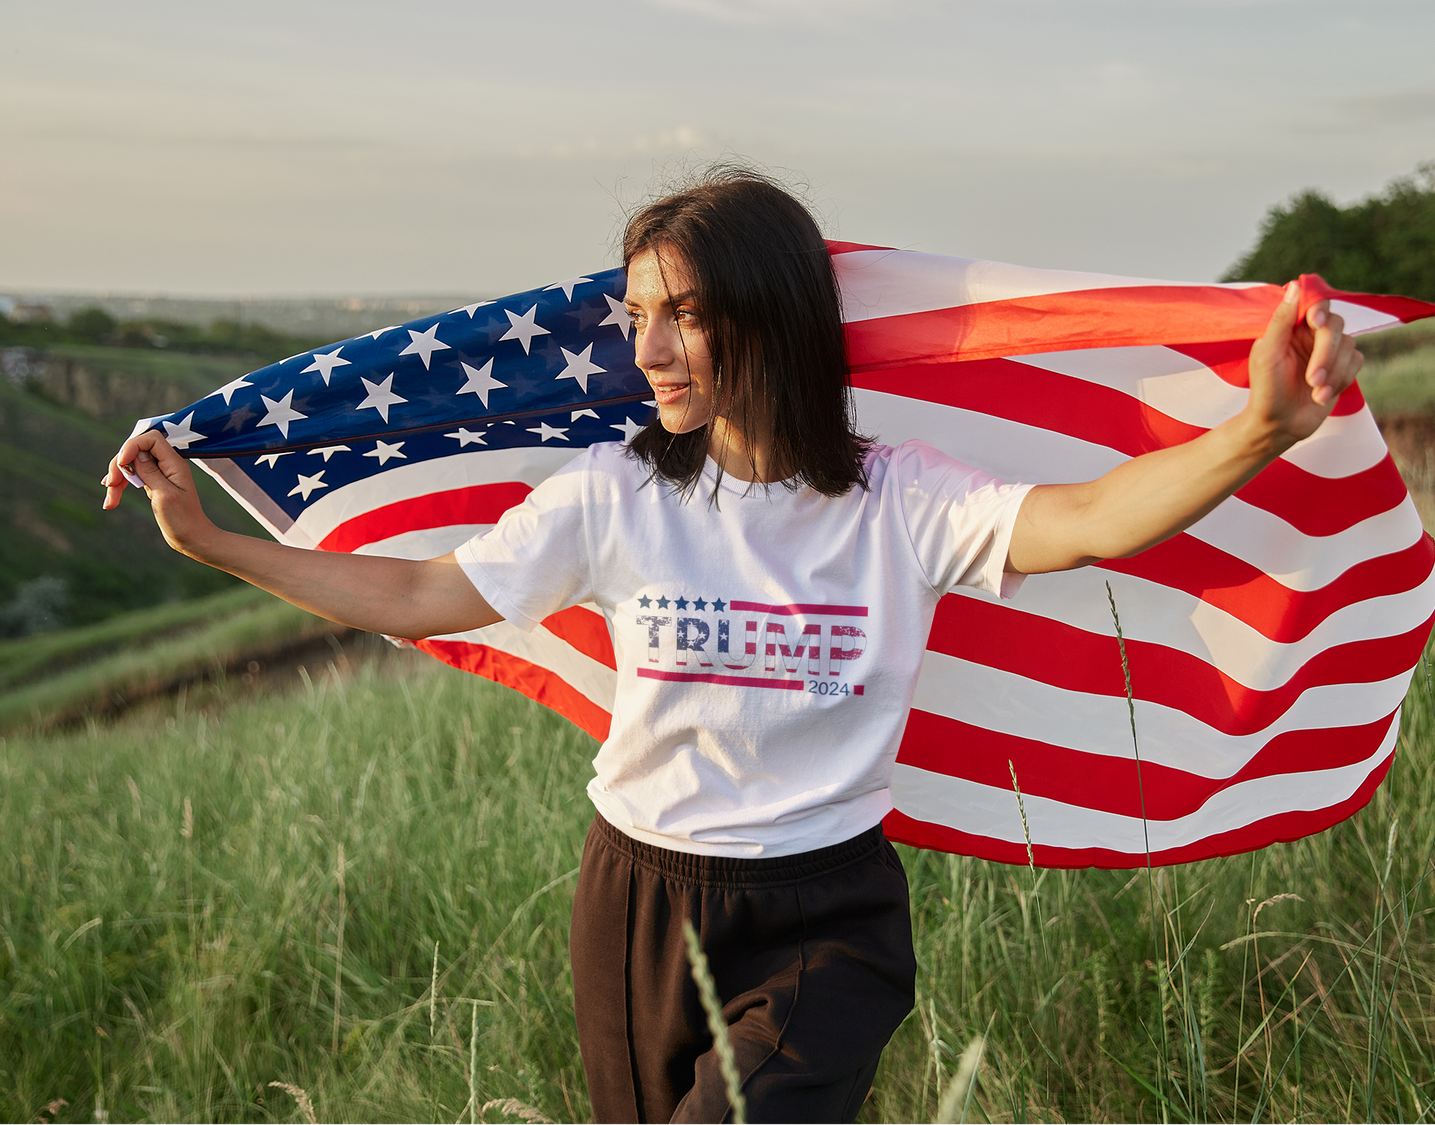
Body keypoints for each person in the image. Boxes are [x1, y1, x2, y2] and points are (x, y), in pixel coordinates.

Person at [103, 167, 1362, 1124]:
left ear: (770, 317)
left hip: (827, 914)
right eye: (639, 313)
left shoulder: (897, 498)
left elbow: (1084, 521)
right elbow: (434, 590)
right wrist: (215, 545)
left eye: (686, 315)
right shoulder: (615, 494)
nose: (646, 348)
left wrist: (1261, 429)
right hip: (639, 899)